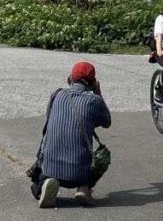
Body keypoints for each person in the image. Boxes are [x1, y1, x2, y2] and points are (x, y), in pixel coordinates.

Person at [32, 61, 112, 208]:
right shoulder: (94, 101)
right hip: (79, 172)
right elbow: (107, 122)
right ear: (93, 82)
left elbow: (49, 119)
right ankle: (84, 187)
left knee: (38, 180)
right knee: (103, 157)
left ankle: (45, 184)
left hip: (50, 168)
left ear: (70, 78)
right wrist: (98, 93)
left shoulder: (56, 95)